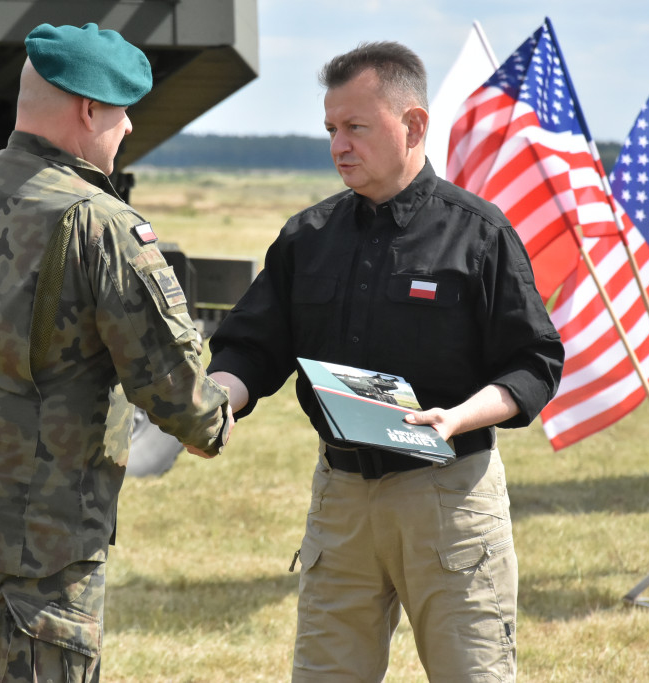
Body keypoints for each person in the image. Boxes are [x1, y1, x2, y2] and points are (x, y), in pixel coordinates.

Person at [0, 22, 232, 683]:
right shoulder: (100, 222)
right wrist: (222, 409)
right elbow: (185, 404)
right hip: (32, 557)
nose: (127, 131)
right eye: (122, 113)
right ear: (89, 109)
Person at [207, 41, 563, 682]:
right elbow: (250, 348)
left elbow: (533, 363)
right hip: (342, 503)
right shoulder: (305, 238)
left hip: (449, 500)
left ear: (414, 124)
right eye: (331, 130)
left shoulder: (479, 234)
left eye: (355, 127)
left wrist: (457, 417)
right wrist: (216, 399)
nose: (339, 144)